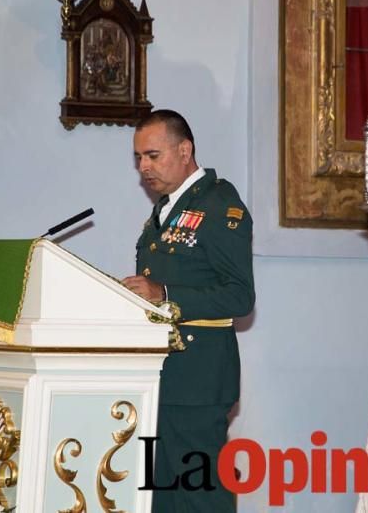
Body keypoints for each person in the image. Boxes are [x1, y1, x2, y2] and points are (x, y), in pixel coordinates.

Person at [121, 109, 255, 512]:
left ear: (185, 150)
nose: (144, 166)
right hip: (160, 377)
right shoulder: (166, 210)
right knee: (160, 500)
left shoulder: (219, 206)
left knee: (198, 500)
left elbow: (239, 296)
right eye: (139, 158)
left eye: (153, 155)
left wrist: (165, 292)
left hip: (197, 382)